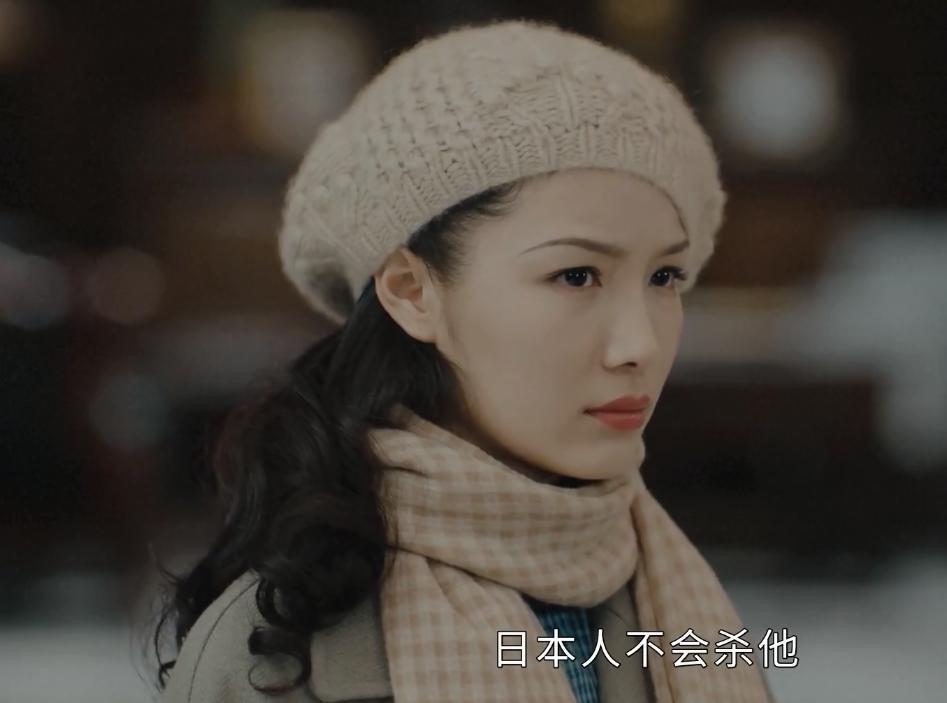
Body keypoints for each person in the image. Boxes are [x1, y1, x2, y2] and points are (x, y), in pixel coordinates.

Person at [153, 17, 776, 703]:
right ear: (411, 292)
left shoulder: (676, 609)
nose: (641, 346)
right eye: (576, 275)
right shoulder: (270, 655)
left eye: (664, 277)